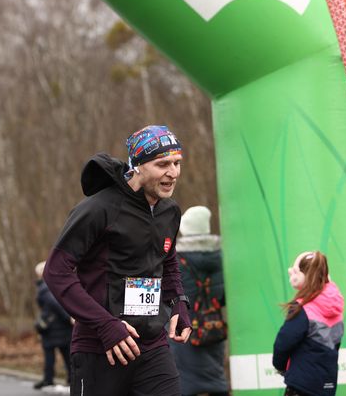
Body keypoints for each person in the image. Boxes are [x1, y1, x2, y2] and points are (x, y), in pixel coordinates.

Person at [44, 124, 192, 396]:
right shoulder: (98, 209)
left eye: (177, 163)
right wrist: (105, 324)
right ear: (137, 166)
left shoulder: (169, 212)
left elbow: (167, 261)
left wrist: (179, 302)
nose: (173, 173)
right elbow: (56, 271)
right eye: (162, 164)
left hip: (152, 345)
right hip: (101, 348)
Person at [169, 205, 229, 396]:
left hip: (183, 328)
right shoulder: (222, 257)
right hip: (212, 327)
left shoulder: (176, 259)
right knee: (215, 378)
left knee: (184, 382)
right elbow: (223, 296)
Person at [273, 251, 344, 396]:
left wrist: (280, 366)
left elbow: (283, 343)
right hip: (328, 384)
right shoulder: (337, 308)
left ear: (300, 277)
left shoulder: (302, 308)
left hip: (302, 385)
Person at [33, 260, 73, 390]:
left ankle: (49, 379)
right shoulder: (54, 284)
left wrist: (69, 318)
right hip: (59, 326)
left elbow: (56, 304)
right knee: (66, 354)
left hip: (54, 327)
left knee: (53, 354)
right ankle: (69, 379)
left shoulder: (45, 287)